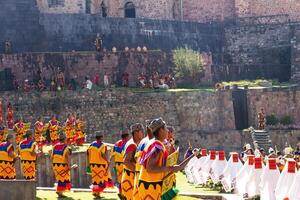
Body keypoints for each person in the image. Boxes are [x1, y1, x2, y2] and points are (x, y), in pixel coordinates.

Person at [138, 118, 196, 200]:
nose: (168, 131)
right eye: (165, 128)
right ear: (161, 130)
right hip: (150, 187)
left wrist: (192, 155)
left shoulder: (155, 143)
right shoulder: (157, 146)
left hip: (151, 185)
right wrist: (171, 168)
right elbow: (150, 168)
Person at [121, 123, 144, 200]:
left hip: (129, 178)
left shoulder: (132, 143)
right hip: (130, 179)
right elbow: (126, 161)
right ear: (136, 133)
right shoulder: (132, 145)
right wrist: (138, 172)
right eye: (142, 131)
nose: (143, 133)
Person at [87, 131, 113, 198]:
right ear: (101, 137)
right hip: (100, 165)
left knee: (95, 179)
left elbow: (87, 153)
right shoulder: (103, 145)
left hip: (93, 165)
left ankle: (95, 192)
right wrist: (108, 160)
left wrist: (89, 162)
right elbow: (103, 154)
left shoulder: (91, 145)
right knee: (100, 180)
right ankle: (98, 194)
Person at [50, 132, 72, 198]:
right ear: (65, 139)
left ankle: (60, 192)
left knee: (60, 179)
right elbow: (67, 158)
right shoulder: (66, 148)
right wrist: (69, 166)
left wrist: (52, 166)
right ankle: (59, 192)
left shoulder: (55, 146)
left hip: (55, 165)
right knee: (63, 179)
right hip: (63, 165)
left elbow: (52, 157)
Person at [111, 130, 130, 199]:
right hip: (125, 165)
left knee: (120, 180)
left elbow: (113, 155)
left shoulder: (116, 144)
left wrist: (114, 166)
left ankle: (121, 193)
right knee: (126, 180)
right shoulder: (128, 144)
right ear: (127, 136)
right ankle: (125, 194)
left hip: (118, 165)